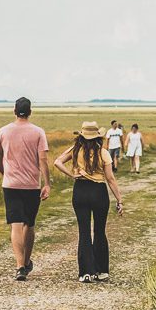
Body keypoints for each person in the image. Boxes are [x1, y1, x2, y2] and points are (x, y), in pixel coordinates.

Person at [54, 121, 123, 283]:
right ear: (97, 137)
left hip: (80, 191)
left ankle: (85, 272)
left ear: (82, 136)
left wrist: (72, 175)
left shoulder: (75, 150)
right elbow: (110, 179)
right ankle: (101, 271)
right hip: (98, 192)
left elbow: (57, 162)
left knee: (84, 231)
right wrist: (119, 199)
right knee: (99, 231)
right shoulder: (103, 152)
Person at [0, 97, 51, 281]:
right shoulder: (38, 132)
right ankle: (25, 263)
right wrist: (47, 183)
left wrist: (5, 173)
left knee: (15, 224)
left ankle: (19, 266)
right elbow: (43, 160)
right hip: (31, 185)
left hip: (10, 184)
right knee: (29, 224)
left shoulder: (3, 131)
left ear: (14, 111)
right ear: (30, 111)